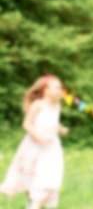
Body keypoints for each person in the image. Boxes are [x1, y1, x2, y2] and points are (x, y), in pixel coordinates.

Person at [0, 74, 69, 209]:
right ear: (45, 90)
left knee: (48, 178)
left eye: (61, 88)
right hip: (34, 148)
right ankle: (33, 203)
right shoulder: (38, 105)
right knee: (33, 180)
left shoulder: (57, 106)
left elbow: (53, 122)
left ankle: (37, 203)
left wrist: (61, 129)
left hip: (51, 149)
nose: (60, 90)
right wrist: (38, 136)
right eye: (56, 88)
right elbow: (26, 124)